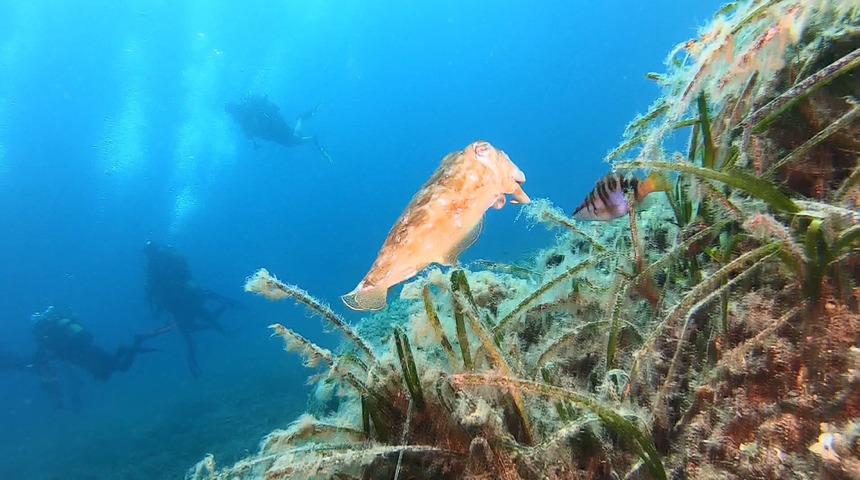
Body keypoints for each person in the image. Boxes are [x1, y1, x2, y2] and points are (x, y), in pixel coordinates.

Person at [27, 306, 164, 408]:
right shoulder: (53, 331)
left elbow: (49, 353)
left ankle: (136, 341)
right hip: (88, 351)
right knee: (109, 373)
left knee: (118, 369)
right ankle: (131, 345)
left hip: (83, 356)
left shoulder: (45, 337)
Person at [143, 241, 238, 376]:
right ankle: (226, 329)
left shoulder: (153, 266)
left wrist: (157, 306)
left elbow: (154, 290)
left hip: (175, 302)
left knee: (188, 331)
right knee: (203, 316)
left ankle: (194, 362)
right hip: (186, 296)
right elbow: (185, 274)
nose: (148, 256)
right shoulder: (168, 257)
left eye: (148, 253)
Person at [225, 94, 332, 161]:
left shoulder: (247, 110)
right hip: (270, 133)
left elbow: (255, 125)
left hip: (274, 126)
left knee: (293, 139)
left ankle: (302, 120)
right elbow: (249, 133)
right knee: (291, 142)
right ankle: (312, 138)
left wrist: (251, 131)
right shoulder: (241, 119)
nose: (233, 114)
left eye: (232, 111)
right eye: (232, 112)